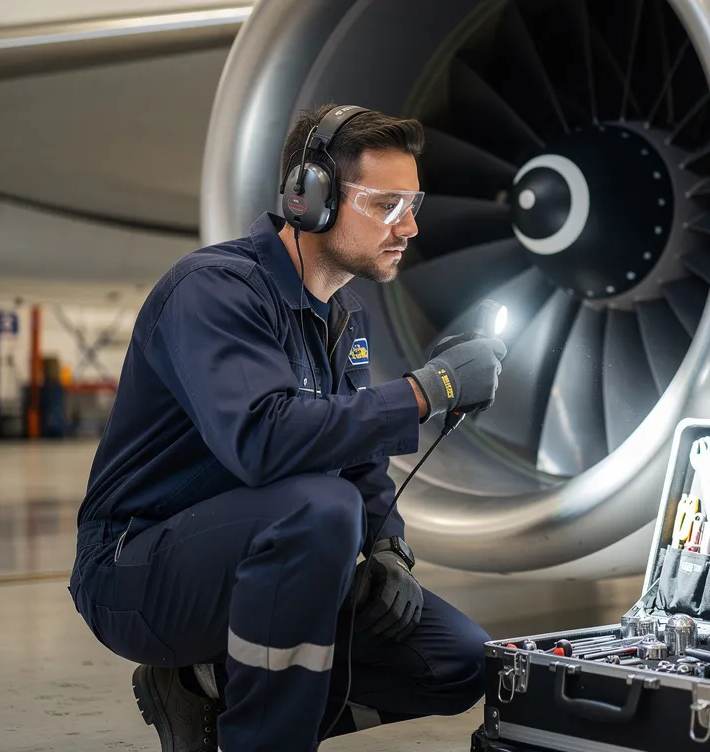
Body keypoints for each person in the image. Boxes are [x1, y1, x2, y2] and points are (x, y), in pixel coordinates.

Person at [67, 103, 508, 752]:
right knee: (320, 510)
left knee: (459, 660)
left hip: (269, 551)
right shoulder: (215, 291)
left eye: (413, 202)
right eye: (387, 203)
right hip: (137, 567)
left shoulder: (343, 317)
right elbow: (263, 439)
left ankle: (200, 688)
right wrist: (427, 390)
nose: (409, 226)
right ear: (311, 198)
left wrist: (388, 546)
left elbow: (357, 458)